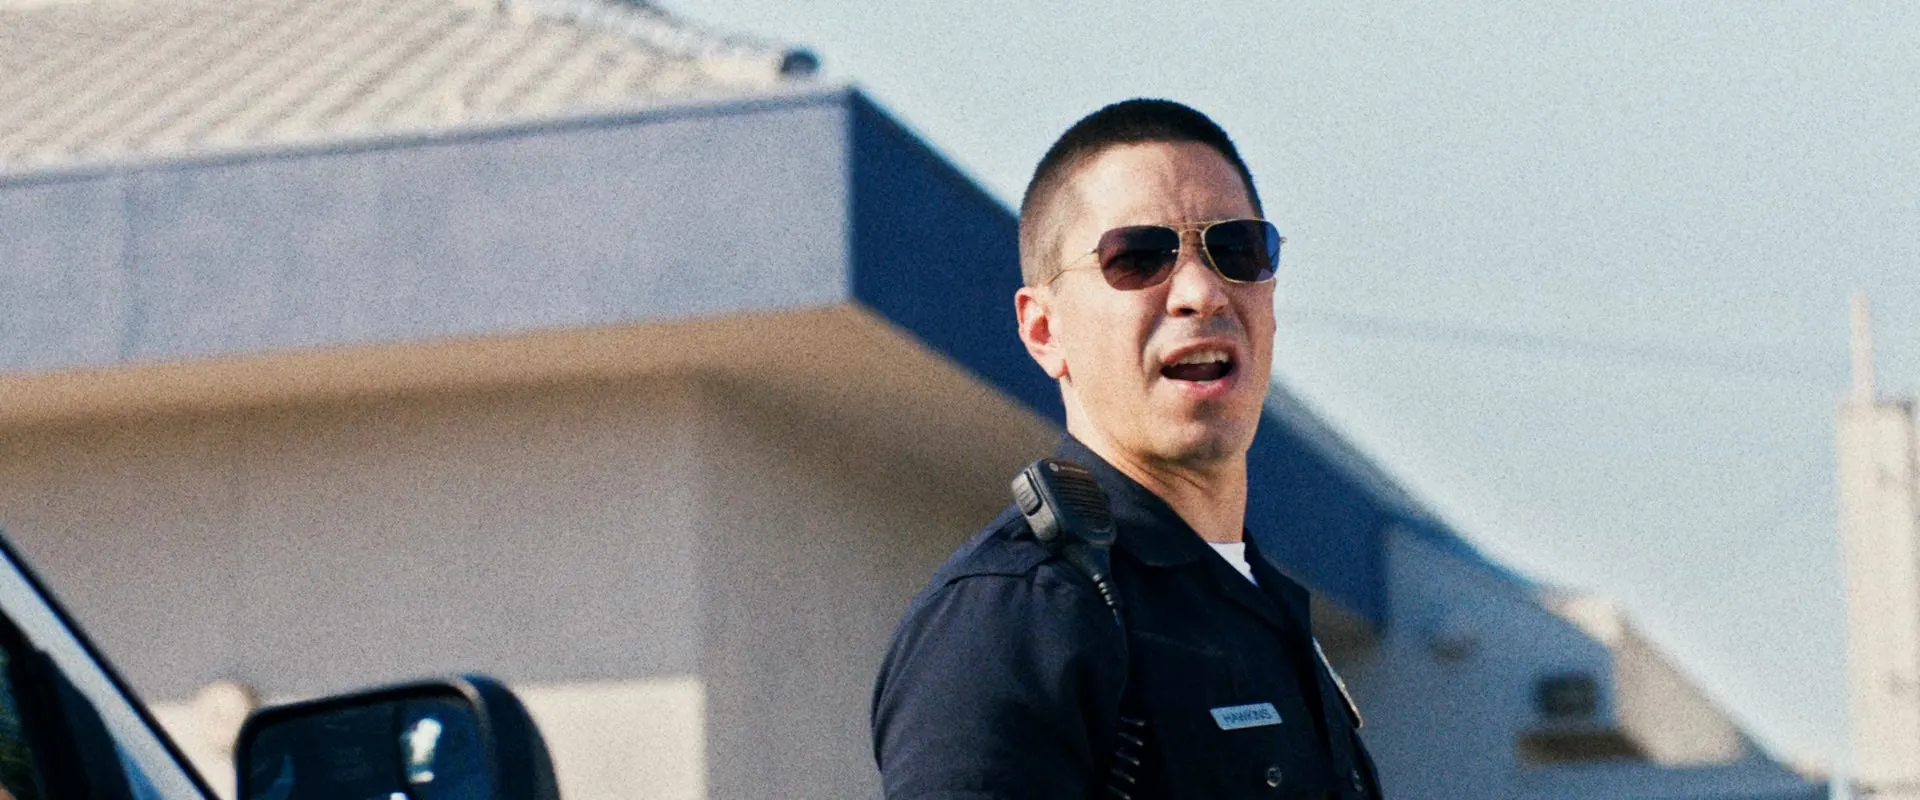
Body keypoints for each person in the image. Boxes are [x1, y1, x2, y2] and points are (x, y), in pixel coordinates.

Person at [870, 99, 1382, 799]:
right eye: (1138, 258)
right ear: (1044, 330)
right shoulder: (1018, 619)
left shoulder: (1261, 606)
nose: (1203, 293)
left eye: (1237, 250)